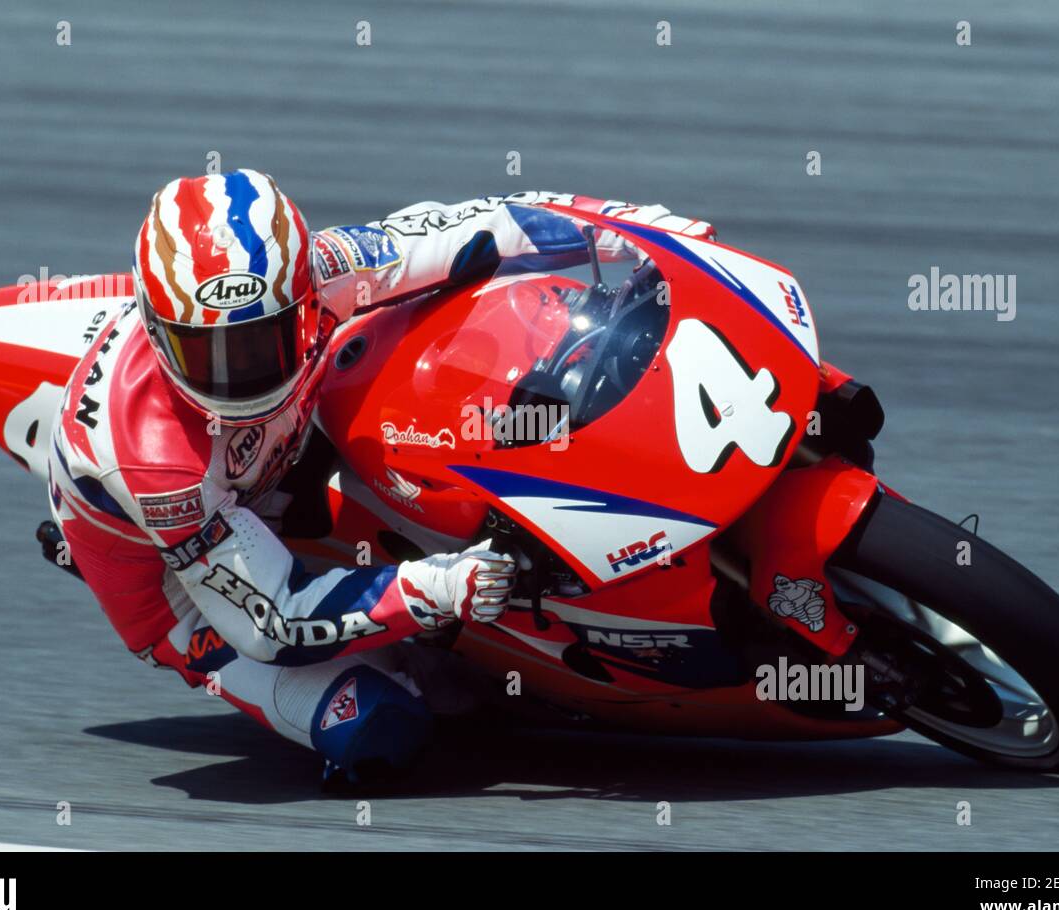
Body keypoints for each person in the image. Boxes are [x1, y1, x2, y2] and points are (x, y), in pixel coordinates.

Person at [48, 168, 715, 786]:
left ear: (303, 297)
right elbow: (271, 620)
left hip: (279, 456)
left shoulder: (325, 269)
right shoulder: (153, 462)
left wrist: (627, 231)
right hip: (187, 592)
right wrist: (445, 586)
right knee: (388, 726)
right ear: (163, 338)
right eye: (211, 353)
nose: (241, 373)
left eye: (264, 339)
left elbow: (480, 227)